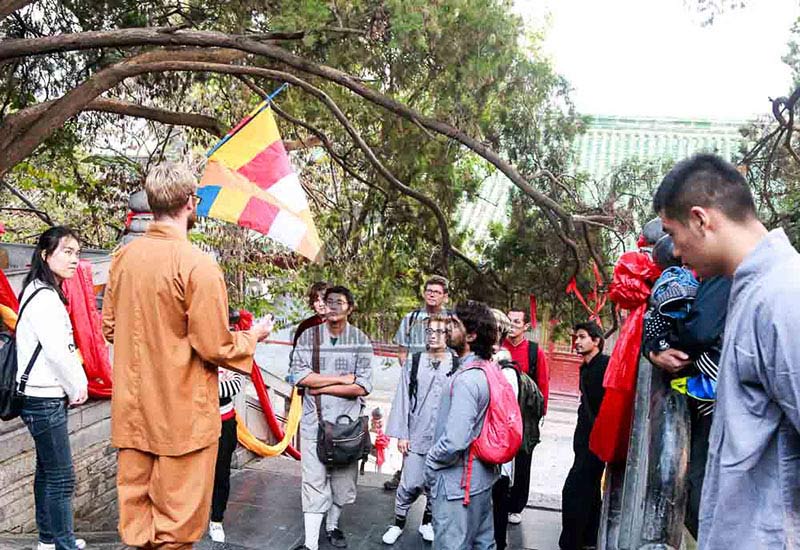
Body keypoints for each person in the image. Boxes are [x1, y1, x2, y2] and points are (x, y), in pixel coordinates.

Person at [102, 163, 272, 549]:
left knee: (138, 524)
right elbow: (216, 345)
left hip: (133, 413)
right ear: (190, 204)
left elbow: (110, 328)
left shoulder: (123, 259)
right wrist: (252, 336)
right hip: (181, 419)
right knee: (177, 530)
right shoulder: (198, 265)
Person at [653, 153, 800, 549]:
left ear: (701, 219)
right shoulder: (748, 290)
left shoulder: (783, 297)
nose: (676, 253)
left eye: (673, 233)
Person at [642, 235, 731, 539]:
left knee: (697, 488)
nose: (679, 253)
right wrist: (654, 347)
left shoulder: (725, 270)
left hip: (720, 399)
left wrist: (659, 345)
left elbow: (700, 331)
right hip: (708, 398)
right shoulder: (696, 278)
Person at [16, 226, 89, 550]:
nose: (75, 259)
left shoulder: (34, 289)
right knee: (61, 477)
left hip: (38, 396)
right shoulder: (45, 298)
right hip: (44, 398)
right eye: (67, 252)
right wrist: (78, 386)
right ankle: (63, 543)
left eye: (77, 252)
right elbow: (59, 352)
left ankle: (48, 540)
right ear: (46, 255)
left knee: (47, 472)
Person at [289, 285, 374, 550]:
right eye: (330, 301)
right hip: (315, 421)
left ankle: (333, 525)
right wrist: (338, 379)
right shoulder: (308, 338)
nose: (334, 306)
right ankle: (311, 544)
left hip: (347, 427)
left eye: (340, 302)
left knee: (343, 483)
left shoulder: (360, 341)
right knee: (313, 480)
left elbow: (362, 386)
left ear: (350, 307)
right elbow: (299, 376)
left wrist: (319, 385)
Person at [425, 300, 498, 550]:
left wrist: (431, 461)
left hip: (458, 485)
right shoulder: (487, 369)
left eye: (454, 324)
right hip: (480, 480)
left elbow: (455, 440)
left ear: (472, 334)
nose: (446, 328)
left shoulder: (467, 380)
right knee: (482, 544)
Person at [382, 313, 455, 545]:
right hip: (416, 432)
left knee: (436, 483)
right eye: (429, 332)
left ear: (448, 335)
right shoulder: (414, 361)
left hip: (443, 436)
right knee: (410, 481)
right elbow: (402, 398)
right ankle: (398, 523)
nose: (433, 336)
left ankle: (427, 522)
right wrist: (402, 434)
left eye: (439, 332)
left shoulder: (456, 363)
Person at [386, 275, 450, 491]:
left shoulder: (450, 322)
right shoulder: (411, 318)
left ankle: (433, 481)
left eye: (437, 292)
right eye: (429, 290)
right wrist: (411, 372)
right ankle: (404, 475)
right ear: (424, 293)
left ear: (445, 297)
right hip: (415, 381)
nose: (432, 294)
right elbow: (402, 350)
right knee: (409, 431)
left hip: (441, 380)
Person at [559, 321, 608, 550]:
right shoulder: (586, 367)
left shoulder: (604, 366)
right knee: (589, 491)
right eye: (576, 337)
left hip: (597, 441)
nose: (576, 342)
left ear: (596, 340)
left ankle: (571, 542)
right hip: (584, 441)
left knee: (573, 491)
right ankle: (589, 538)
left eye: (581, 337)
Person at [502, 308, 550, 525]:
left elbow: (543, 383)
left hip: (525, 416)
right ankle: (498, 500)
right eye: (509, 321)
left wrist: (540, 413)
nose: (512, 325)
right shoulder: (499, 348)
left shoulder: (534, 351)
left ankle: (516, 506)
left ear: (525, 326)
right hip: (501, 415)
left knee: (523, 460)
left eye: (517, 321)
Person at [208, 310, 247, 544]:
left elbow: (235, 386)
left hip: (224, 422)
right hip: (195, 424)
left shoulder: (233, 354)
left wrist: (205, 389)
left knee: (221, 474)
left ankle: (216, 520)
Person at [293, 281, 330, 349]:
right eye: (316, 300)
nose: (321, 304)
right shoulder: (305, 325)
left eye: (324, 300)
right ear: (312, 303)